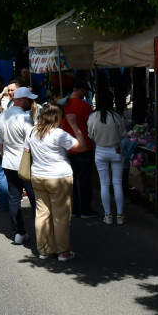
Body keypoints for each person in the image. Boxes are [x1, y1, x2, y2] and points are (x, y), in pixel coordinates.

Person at [24, 103, 87, 260]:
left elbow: (26, 150)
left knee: (42, 214)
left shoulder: (32, 131)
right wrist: (75, 126)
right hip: (59, 177)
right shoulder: (58, 134)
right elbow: (81, 146)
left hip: (38, 175)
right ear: (57, 117)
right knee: (61, 216)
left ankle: (44, 250)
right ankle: (63, 251)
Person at [0, 87, 37, 245]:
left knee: (14, 198)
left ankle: (18, 232)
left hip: (8, 162)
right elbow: (31, 142)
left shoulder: (2, 116)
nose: (31, 102)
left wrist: (4, 156)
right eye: (28, 99)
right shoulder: (25, 118)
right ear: (21, 100)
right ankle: (42, 232)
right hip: (24, 163)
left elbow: (0, 143)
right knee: (34, 197)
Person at [87, 95, 128, 224]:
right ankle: (120, 215)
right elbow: (123, 134)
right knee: (117, 184)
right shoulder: (117, 116)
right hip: (115, 150)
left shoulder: (93, 116)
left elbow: (90, 135)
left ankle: (108, 215)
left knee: (104, 184)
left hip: (100, 150)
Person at [59, 83, 97, 219]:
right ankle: (85, 210)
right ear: (81, 90)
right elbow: (91, 127)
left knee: (71, 180)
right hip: (84, 146)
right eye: (85, 91)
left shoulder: (61, 104)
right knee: (85, 180)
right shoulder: (85, 106)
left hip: (67, 147)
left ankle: (74, 209)